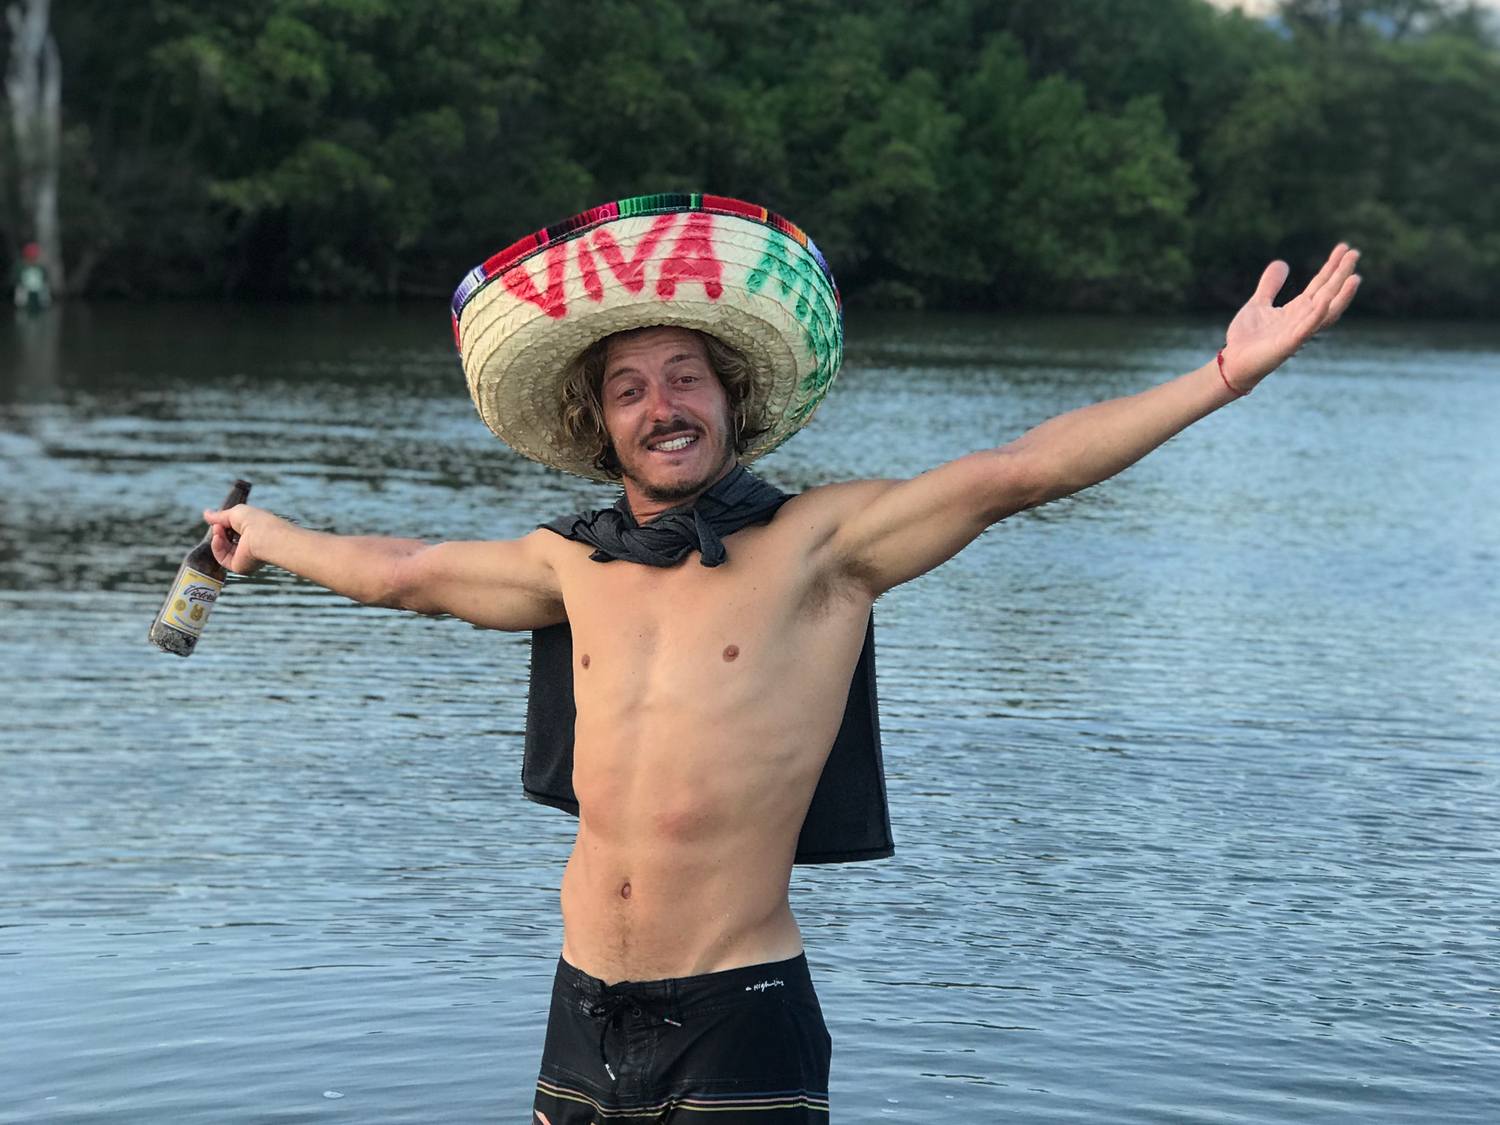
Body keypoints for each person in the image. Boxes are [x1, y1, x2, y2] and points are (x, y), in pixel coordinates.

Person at [202, 195, 1360, 1124]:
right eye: (630, 387)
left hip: (737, 1012)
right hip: (579, 1004)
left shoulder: (823, 551)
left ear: (731, 401)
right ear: (602, 424)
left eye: (686, 378)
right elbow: (406, 571)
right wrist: (265, 537)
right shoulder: (571, 566)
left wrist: (1219, 380)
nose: (662, 404)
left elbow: (1019, 473)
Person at [13, 242, 51, 310]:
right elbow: (18, 283)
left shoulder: (41, 268)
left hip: (39, 300)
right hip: (25, 299)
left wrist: (45, 299)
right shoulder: (20, 268)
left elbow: (45, 284)